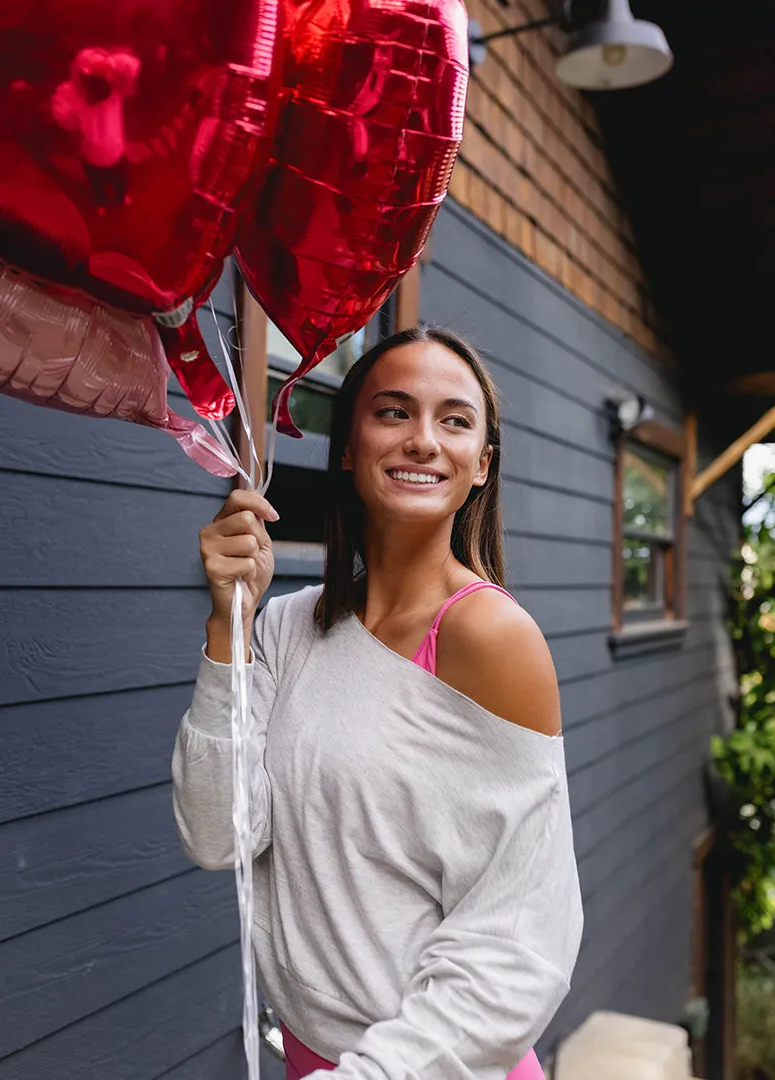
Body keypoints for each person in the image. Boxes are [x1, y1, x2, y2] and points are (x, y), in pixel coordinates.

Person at [172, 326, 584, 1079]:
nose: (424, 440)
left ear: (481, 465)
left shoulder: (492, 638)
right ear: (347, 446)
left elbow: (519, 942)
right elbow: (218, 835)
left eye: (455, 420)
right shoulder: (288, 625)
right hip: (312, 1056)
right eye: (393, 412)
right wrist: (228, 625)